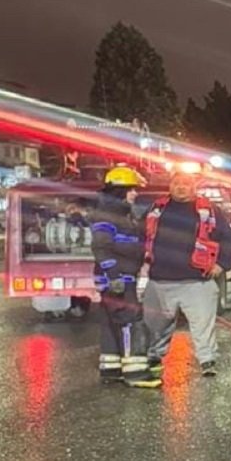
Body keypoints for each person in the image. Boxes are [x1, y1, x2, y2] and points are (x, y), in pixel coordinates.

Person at [142, 167, 231, 376]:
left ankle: (207, 361)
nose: (180, 187)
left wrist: (222, 264)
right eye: (176, 183)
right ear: (170, 185)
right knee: (155, 325)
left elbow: (229, 239)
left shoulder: (209, 211)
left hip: (197, 282)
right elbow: (141, 233)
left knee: (202, 325)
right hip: (160, 280)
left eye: (186, 183)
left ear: (194, 187)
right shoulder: (156, 208)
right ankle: (154, 357)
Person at [90, 165, 160, 389]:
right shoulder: (108, 216)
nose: (135, 193)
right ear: (120, 191)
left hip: (118, 278)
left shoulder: (119, 213)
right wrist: (113, 275)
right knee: (131, 322)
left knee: (111, 324)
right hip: (118, 279)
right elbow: (101, 247)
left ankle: (111, 370)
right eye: (131, 189)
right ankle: (136, 373)